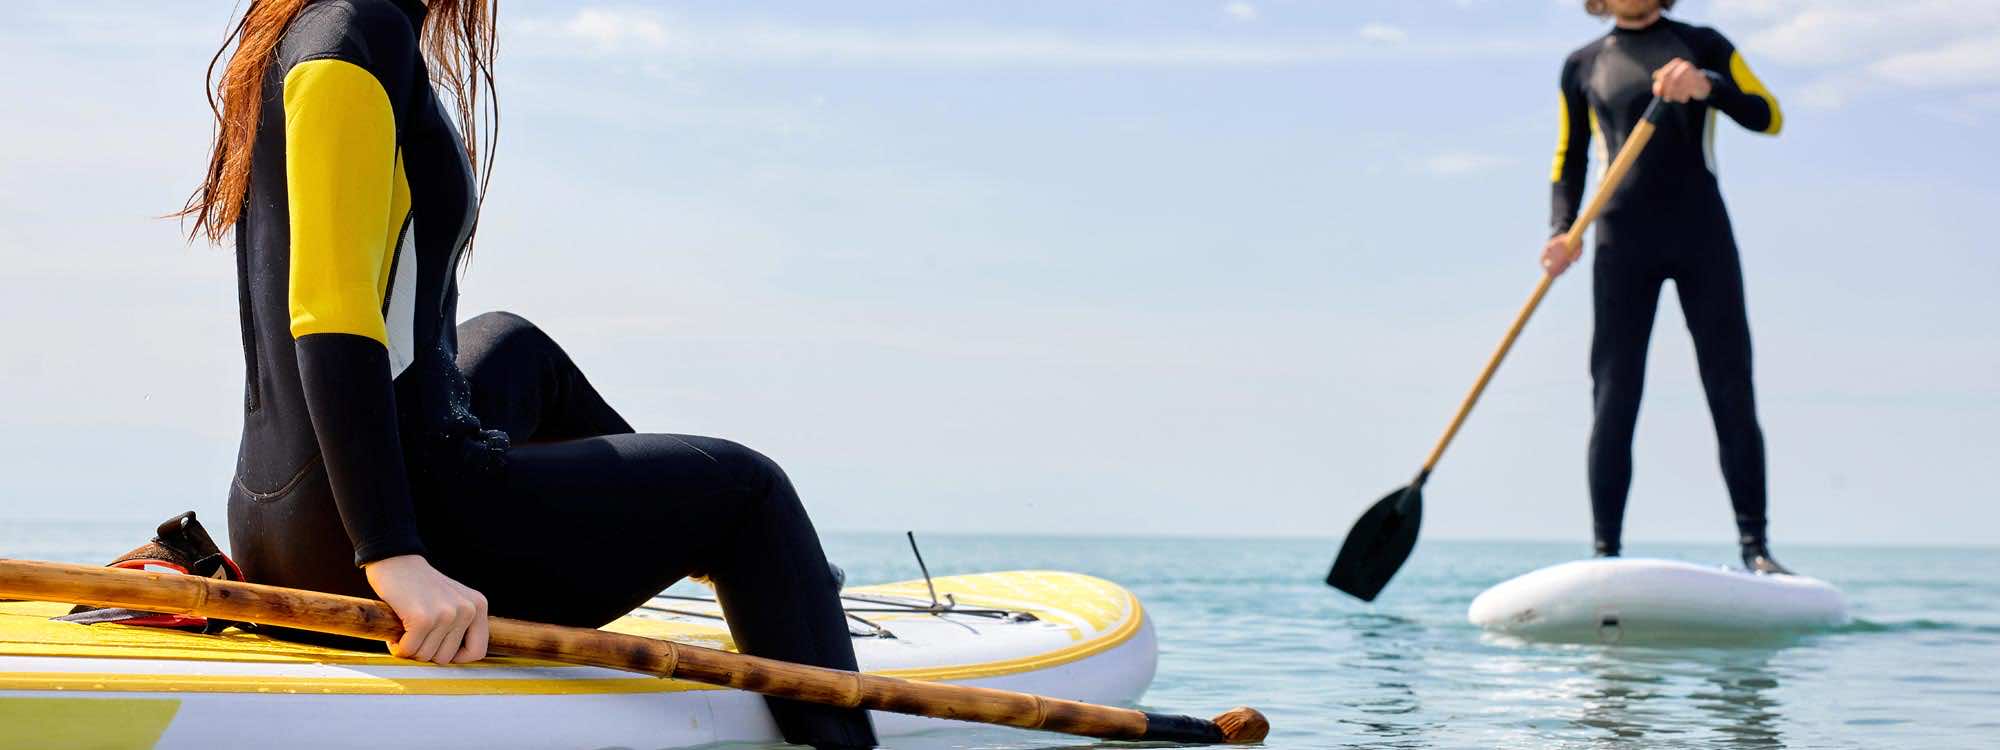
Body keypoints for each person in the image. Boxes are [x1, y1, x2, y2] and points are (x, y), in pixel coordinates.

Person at [177, 1, 877, 746]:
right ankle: (753, 556)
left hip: (274, 522)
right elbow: (331, 315)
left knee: (513, 346)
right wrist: (394, 558)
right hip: (375, 533)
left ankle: (718, 556)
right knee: (749, 492)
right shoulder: (359, 32)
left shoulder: (313, 27)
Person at [1537, 0, 1792, 574]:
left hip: (1702, 234)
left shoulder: (1703, 44)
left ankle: (1756, 550)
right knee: (1613, 394)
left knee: (1730, 386)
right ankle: (1606, 554)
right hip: (1620, 240)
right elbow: (1568, 156)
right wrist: (1561, 231)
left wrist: (1709, 86)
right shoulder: (1582, 65)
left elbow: (1768, 116)